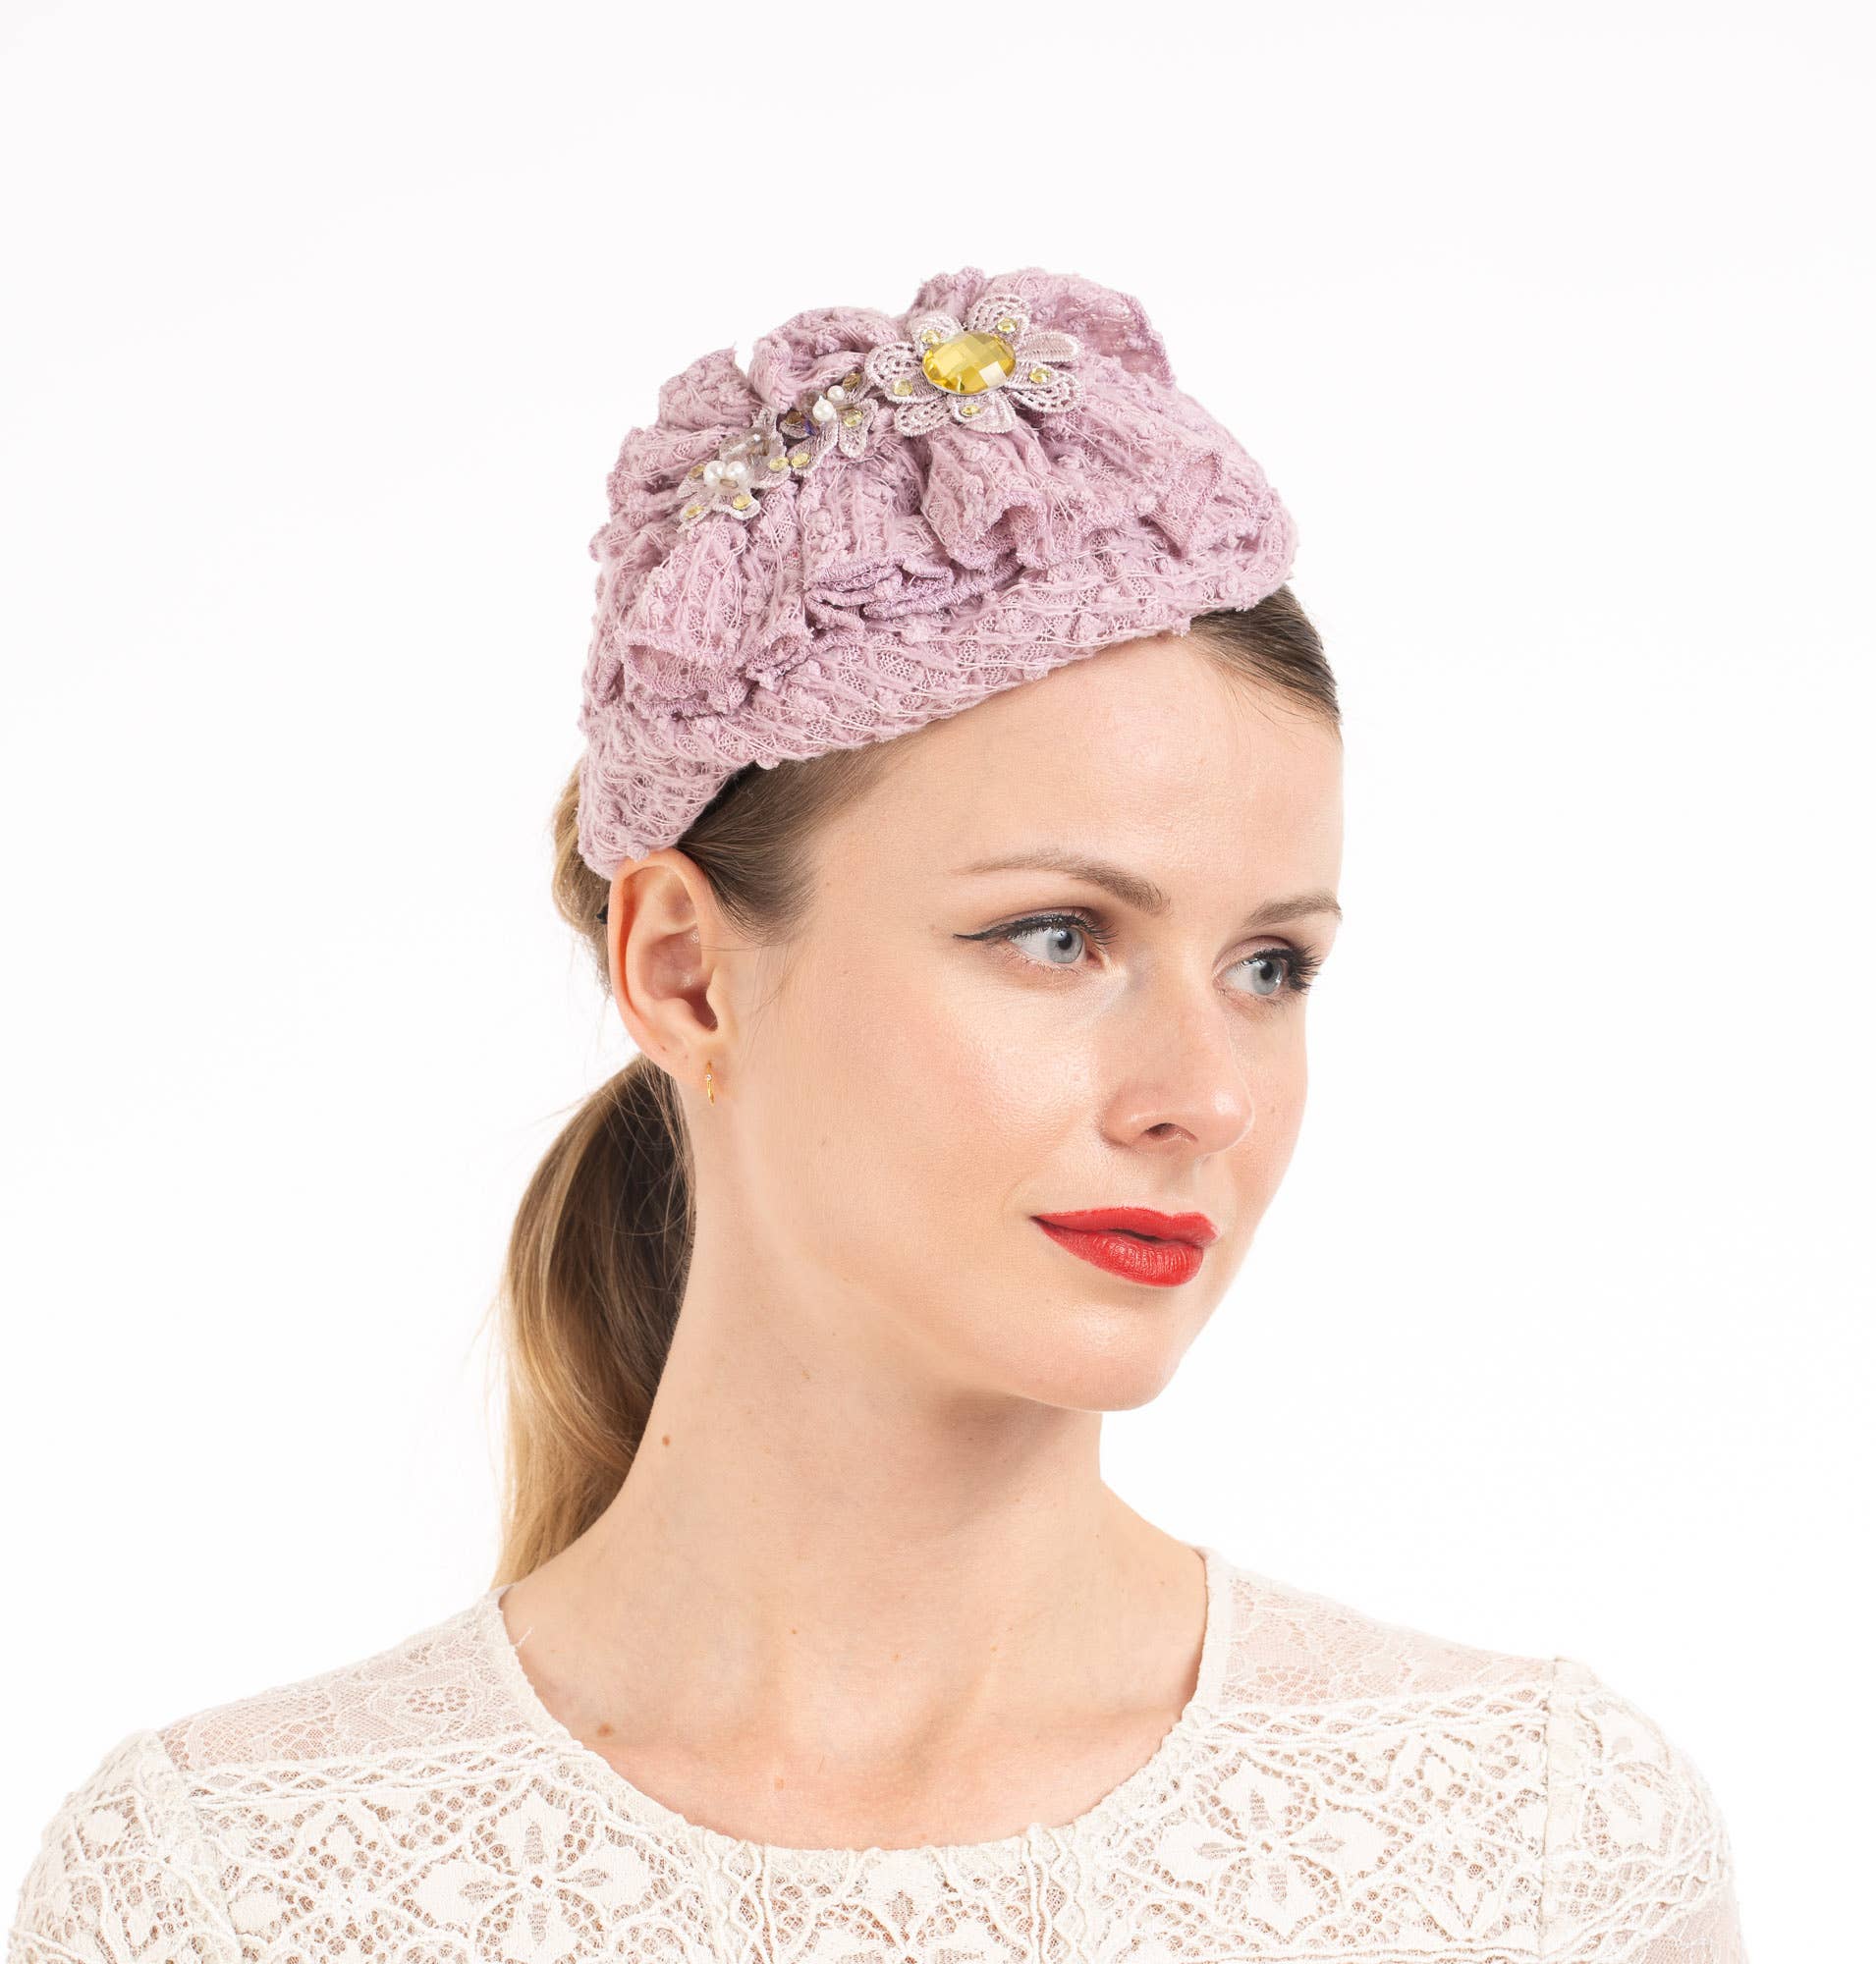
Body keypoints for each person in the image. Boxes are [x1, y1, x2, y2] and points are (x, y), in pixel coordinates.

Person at [8, 265, 1749, 1962]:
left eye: (1271, 966)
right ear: (686, 974)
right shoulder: (224, 1894)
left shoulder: (1536, 1850)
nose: (1206, 1097)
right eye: (1058, 937)